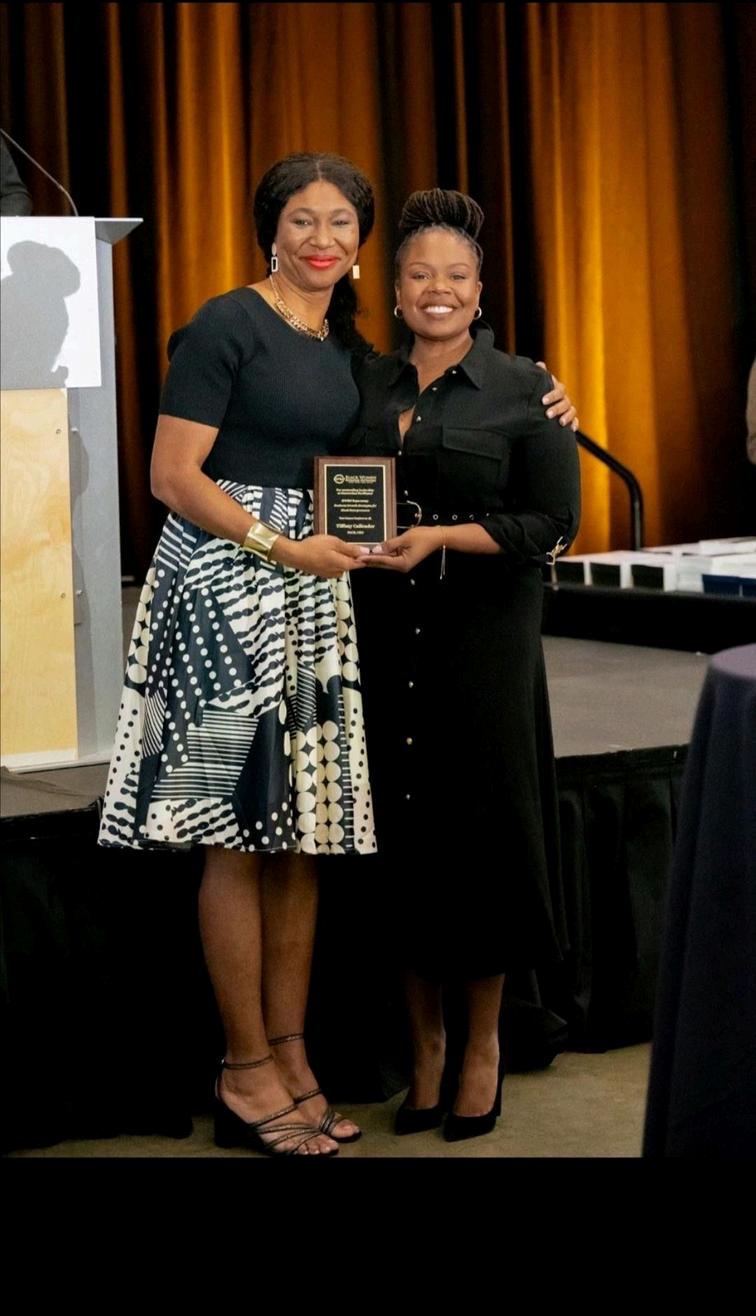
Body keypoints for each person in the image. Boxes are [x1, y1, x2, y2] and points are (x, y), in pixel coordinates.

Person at [98, 154, 577, 1157]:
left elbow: (463, 432)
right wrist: (281, 546)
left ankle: (291, 1059)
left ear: (361, 247)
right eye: (302, 220)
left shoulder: (349, 350)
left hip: (316, 598)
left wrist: (550, 398)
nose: (322, 237)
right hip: (232, 583)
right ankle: (243, 1071)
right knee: (234, 830)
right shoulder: (228, 323)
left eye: (341, 223)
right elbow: (171, 475)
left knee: (299, 836)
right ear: (269, 230)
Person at [348, 188, 581, 1142]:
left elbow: (553, 524)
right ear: (397, 289)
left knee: (481, 840)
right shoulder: (364, 382)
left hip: (482, 643)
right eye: (418, 274)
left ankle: (482, 1047)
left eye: (454, 275)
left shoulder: (526, 388)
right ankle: (426, 1049)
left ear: (479, 291)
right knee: (404, 844)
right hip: (381, 635)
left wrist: (443, 536)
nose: (436, 289)